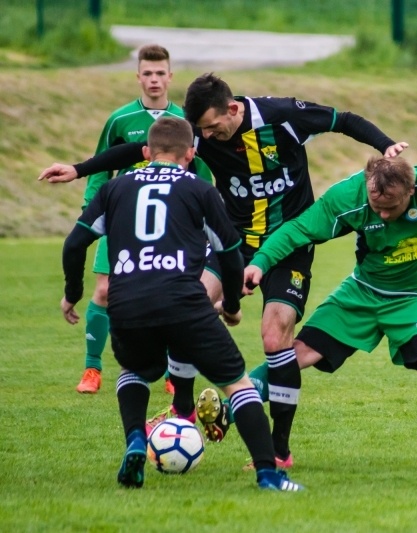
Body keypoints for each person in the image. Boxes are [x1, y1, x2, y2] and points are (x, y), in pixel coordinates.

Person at [38, 73, 408, 467]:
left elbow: (343, 120)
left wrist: (386, 145)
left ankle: (280, 450)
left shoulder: (281, 115)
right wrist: (79, 169)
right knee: (190, 301)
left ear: (232, 109)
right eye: (203, 131)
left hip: (290, 243)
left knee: (275, 336)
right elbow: (137, 150)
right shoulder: (200, 134)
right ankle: (182, 413)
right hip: (234, 240)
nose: (208, 138)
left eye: (214, 127)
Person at [59, 116, 302, 491]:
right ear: (190, 154)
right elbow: (232, 252)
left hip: (128, 303)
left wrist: (72, 293)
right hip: (183, 300)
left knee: (133, 371)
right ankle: (269, 474)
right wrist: (233, 304)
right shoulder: (201, 190)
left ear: (145, 153)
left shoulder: (116, 189)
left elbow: (74, 244)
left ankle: (137, 440)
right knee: (238, 386)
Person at [238, 155, 417, 471]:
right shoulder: (350, 195)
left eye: (390, 207)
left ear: (410, 191)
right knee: (294, 356)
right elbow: (299, 228)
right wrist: (259, 262)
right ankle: (228, 406)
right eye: (375, 204)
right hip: (363, 292)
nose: (381, 212)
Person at [74, 43, 212, 395]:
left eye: (160, 73)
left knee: (167, 290)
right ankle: (92, 369)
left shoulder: (185, 122)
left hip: (169, 224)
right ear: (138, 77)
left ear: (170, 76)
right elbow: (100, 168)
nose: (154, 79)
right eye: (147, 73)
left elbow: (201, 174)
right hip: (121, 219)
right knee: (105, 290)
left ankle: (169, 371)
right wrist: (92, 211)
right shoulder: (120, 120)